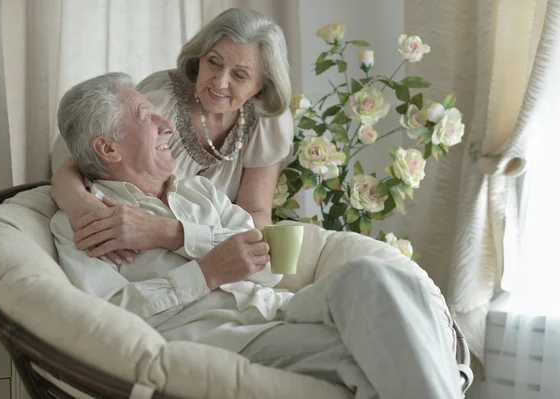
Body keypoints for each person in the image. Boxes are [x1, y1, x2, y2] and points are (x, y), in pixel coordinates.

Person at [50, 72, 463, 399]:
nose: (164, 124)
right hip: (227, 340)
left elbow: (265, 267)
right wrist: (206, 273)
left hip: (280, 307)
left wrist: (178, 235)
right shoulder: (84, 222)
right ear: (107, 149)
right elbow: (109, 319)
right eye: (146, 116)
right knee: (379, 355)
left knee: (376, 276)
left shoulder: (199, 192)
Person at [51, 8, 294, 265]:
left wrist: (248, 266)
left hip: (209, 252)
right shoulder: (159, 100)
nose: (220, 82)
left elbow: (255, 212)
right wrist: (82, 207)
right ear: (199, 57)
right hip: (152, 260)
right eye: (213, 61)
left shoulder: (268, 123)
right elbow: (81, 155)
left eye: (240, 74)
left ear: (262, 85)